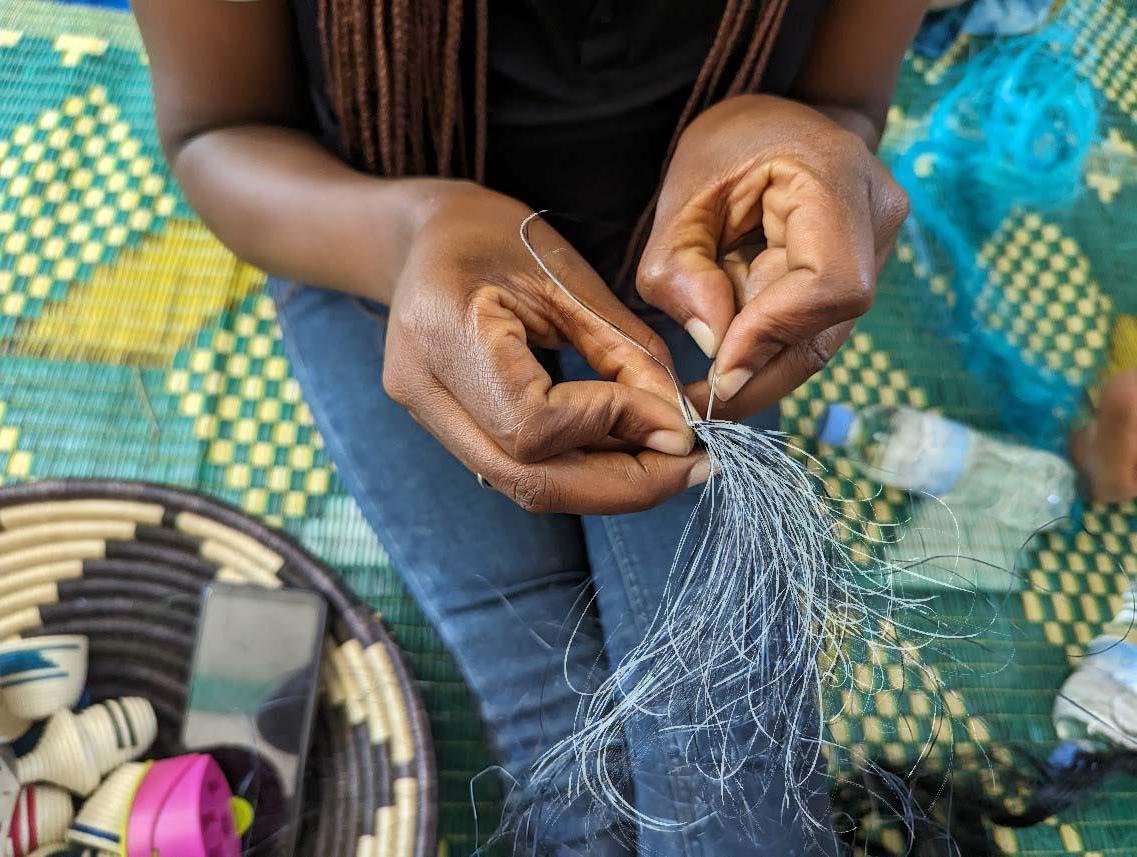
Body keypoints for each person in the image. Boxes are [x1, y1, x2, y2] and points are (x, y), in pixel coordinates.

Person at [132, 1, 922, 853]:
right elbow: (218, 133)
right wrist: (410, 233)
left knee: (731, 762)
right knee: (561, 750)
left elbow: (846, 98)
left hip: (701, 297)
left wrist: (793, 135)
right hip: (380, 257)